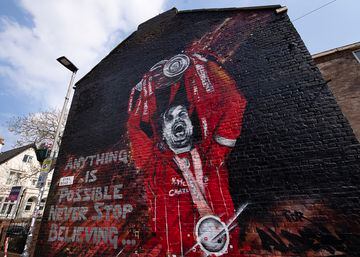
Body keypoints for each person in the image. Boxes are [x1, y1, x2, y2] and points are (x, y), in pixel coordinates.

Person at [127, 50, 247, 256]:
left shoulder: (212, 155)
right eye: (170, 119)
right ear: (162, 132)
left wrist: (200, 65)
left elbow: (234, 101)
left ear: (192, 124)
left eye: (183, 114)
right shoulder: (155, 165)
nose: (179, 120)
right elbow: (134, 126)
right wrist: (144, 87)